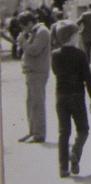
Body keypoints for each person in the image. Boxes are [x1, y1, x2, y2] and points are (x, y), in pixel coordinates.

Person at [51, 20, 91, 178]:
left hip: (61, 96)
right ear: (71, 36)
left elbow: (56, 73)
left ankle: (63, 169)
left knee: (63, 133)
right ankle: (75, 153)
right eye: (76, 34)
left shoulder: (55, 55)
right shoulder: (80, 54)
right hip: (77, 96)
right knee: (83, 130)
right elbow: (87, 78)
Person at [17, 11, 51, 143]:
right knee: (31, 103)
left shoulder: (42, 32)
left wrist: (23, 42)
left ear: (30, 23)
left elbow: (34, 50)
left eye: (24, 26)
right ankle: (32, 131)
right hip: (31, 71)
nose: (23, 29)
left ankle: (39, 134)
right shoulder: (34, 32)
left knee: (38, 103)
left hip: (38, 72)